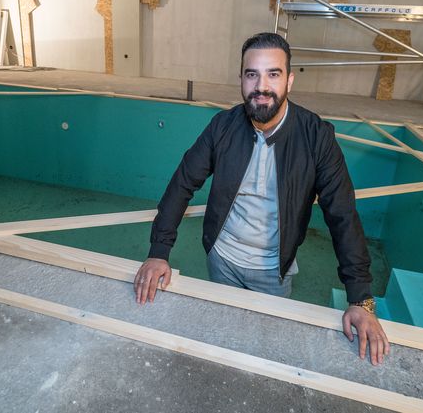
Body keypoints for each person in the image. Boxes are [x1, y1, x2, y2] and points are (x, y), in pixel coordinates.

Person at [134, 32, 389, 365]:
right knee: (223, 337)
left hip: (273, 270)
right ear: (241, 79)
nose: (261, 86)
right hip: (222, 259)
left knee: (265, 349)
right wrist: (158, 252)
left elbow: (342, 214)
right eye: (252, 74)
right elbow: (182, 183)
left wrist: (360, 300)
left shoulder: (316, 137)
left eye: (273, 74)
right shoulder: (222, 126)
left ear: (289, 80)